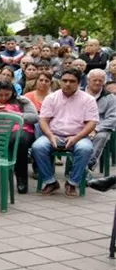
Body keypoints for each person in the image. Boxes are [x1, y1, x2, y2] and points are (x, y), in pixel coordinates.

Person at [32, 68, 98, 197]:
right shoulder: (51, 98)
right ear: (60, 81)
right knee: (38, 147)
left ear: (79, 83)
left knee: (85, 149)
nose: (67, 84)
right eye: (65, 80)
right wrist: (50, 136)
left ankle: (72, 182)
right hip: (54, 134)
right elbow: (43, 120)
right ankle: (50, 181)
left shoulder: (88, 99)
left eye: (72, 81)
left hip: (78, 136)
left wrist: (77, 137)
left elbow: (92, 123)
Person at [86, 69, 116, 174]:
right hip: (81, 126)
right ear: (88, 80)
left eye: (101, 80)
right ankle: (80, 166)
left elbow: (113, 118)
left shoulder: (110, 97)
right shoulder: (79, 94)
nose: (98, 83)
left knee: (101, 137)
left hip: (100, 127)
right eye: (95, 80)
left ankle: (88, 166)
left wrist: (96, 129)